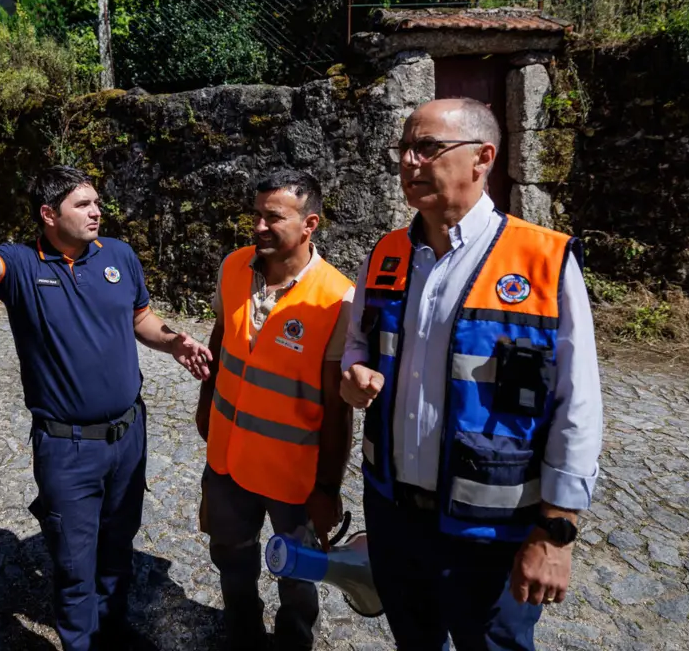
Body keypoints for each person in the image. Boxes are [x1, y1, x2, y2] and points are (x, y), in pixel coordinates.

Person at [0, 166, 211, 651]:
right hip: (68, 447)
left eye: (96, 202)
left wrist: (174, 342)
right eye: (82, 204)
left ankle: (112, 630)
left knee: (117, 548)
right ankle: (81, 643)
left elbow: (141, 317)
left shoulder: (119, 256)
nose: (96, 211)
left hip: (130, 434)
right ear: (49, 214)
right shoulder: (22, 265)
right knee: (73, 563)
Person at [340, 98, 603, 650]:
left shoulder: (544, 260)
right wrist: (353, 374)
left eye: (427, 148)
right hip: (393, 517)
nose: (408, 162)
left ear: (483, 157)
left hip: (492, 530)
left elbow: (577, 405)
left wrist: (556, 533)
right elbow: (358, 345)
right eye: (404, 148)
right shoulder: (386, 254)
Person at [195, 170, 355, 651]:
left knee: (298, 573)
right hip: (227, 461)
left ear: (309, 224)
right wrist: (206, 406)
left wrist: (327, 488)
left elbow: (336, 407)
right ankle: (242, 631)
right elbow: (222, 340)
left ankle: (293, 640)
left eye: (273, 217)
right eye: (257, 216)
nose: (259, 227)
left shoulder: (337, 298)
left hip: (294, 478)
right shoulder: (234, 266)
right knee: (230, 556)